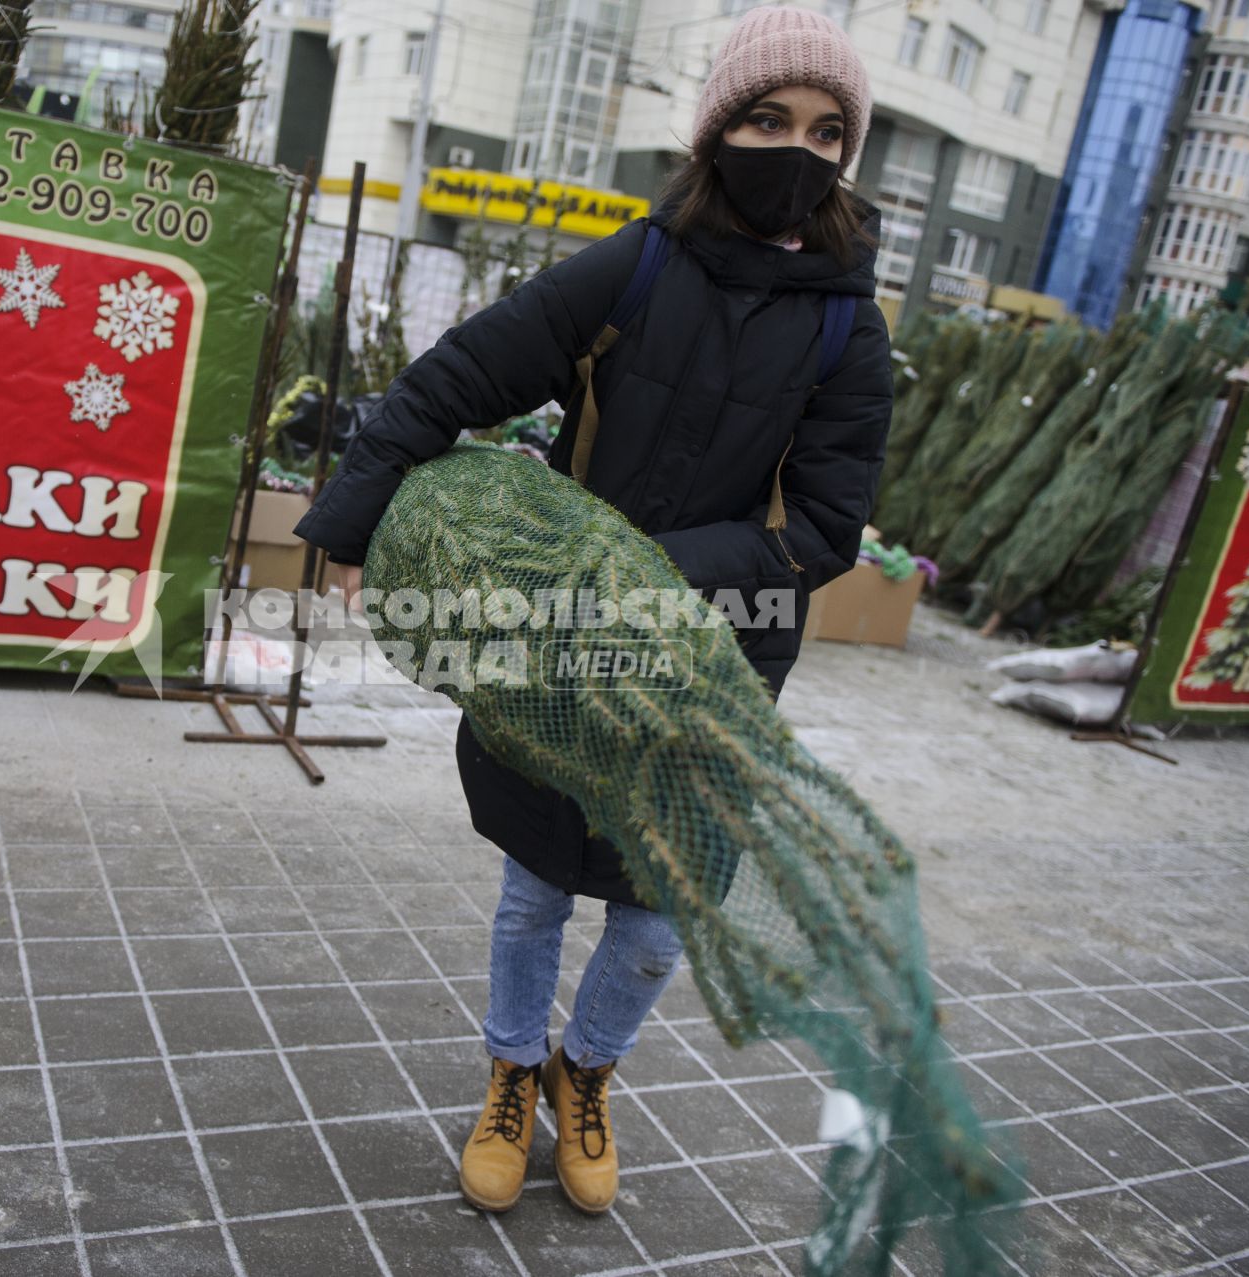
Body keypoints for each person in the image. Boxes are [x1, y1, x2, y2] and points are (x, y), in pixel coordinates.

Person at [292, 6, 892, 1216]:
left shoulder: (849, 329)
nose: (798, 149)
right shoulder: (638, 264)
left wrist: (635, 572)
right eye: (770, 118)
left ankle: (588, 1071)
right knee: (534, 888)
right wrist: (351, 516)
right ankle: (512, 1072)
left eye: (828, 132)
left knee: (661, 914)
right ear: (720, 127)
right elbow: (459, 372)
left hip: (712, 664)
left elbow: (823, 533)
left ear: (848, 156)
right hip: (553, 651)